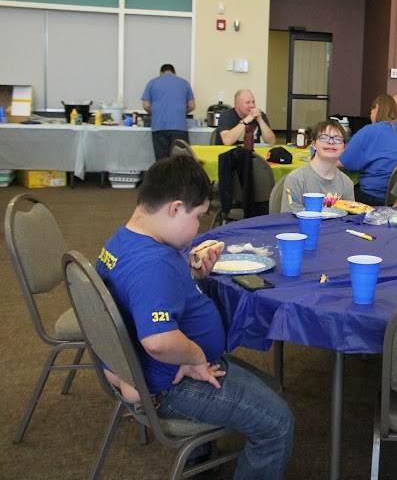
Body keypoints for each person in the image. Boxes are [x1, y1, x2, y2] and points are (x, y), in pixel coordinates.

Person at [95, 155, 294, 479]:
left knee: (264, 392)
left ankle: (200, 457)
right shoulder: (153, 265)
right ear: (175, 208)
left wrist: (190, 277)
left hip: (153, 369)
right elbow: (159, 341)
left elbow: (141, 297)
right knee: (278, 422)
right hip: (170, 380)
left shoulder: (123, 241)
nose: (199, 227)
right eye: (198, 216)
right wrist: (196, 357)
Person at [340, 93, 397, 206]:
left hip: (373, 194)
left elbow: (343, 162)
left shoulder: (369, 130)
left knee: (342, 193)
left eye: (370, 111)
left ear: (376, 108)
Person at [281, 119, 355, 210]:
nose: (331, 142)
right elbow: (288, 217)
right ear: (313, 144)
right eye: (324, 137)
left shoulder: (347, 183)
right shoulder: (296, 179)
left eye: (337, 139)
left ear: (344, 147)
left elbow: (351, 217)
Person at [141, 63, 195, 160]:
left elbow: (146, 105)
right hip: (179, 128)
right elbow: (192, 105)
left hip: (159, 128)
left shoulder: (152, 83)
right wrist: (180, 113)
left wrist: (156, 113)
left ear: (161, 72)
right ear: (174, 72)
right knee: (181, 160)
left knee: (162, 161)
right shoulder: (184, 83)